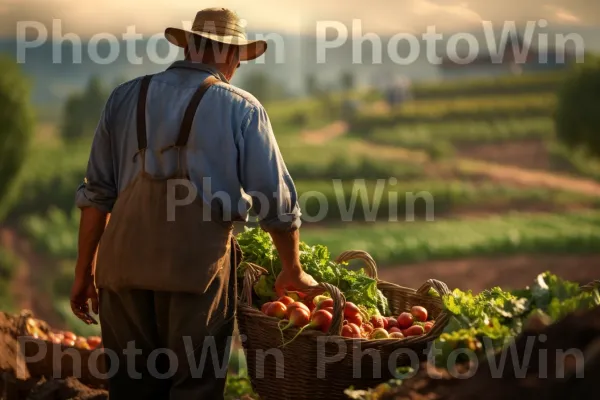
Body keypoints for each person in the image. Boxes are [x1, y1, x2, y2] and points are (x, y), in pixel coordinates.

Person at [71, 8, 318, 399]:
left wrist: (84, 272)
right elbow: (276, 201)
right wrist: (292, 269)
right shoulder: (242, 108)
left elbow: (96, 195)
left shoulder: (122, 98)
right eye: (239, 57)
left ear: (188, 46)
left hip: (120, 272)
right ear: (231, 55)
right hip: (195, 276)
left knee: (131, 387)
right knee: (194, 388)